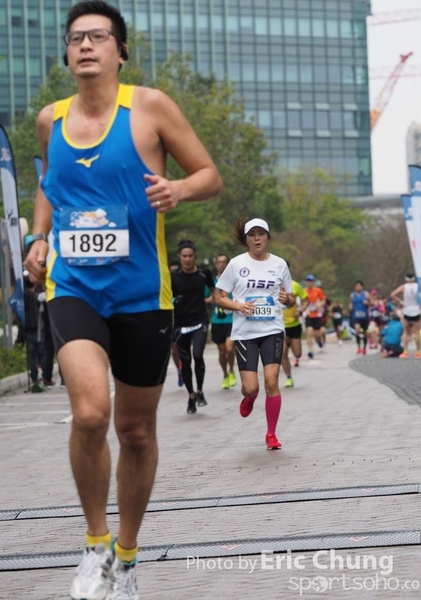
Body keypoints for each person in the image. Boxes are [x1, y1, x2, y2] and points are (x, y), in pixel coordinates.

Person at [23, 2, 222, 598]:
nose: (86, 45)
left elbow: (209, 175)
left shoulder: (150, 108)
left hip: (140, 292)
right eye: (75, 38)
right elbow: (48, 183)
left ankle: (127, 560)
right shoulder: (50, 119)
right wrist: (38, 237)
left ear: (121, 51)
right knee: (90, 413)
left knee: (135, 430)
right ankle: (95, 547)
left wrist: (178, 188)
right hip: (74, 285)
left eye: (98, 36)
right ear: (67, 53)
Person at [216, 217, 294, 450]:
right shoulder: (236, 264)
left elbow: (291, 298)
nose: (257, 238)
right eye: (252, 235)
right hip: (245, 333)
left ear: (268, 237)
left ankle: (271, 434)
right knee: (251, 387)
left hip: (272, 330)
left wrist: (287, 299)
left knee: (272, 381)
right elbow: (219, 297)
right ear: (246, 239)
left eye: (261, 234)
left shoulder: (279, 264)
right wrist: (238, 306)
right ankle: (249, 397)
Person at [171, 240, 216, 414]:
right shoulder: (173, 276)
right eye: (184, 256)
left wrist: (219, 303)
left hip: (200, 321)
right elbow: (165, 295)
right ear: (179, 257)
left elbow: (214, 291)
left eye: (190, 256)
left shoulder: (204, 273)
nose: (187, 259)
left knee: (197, 355)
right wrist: (173, 301)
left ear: (195, 256)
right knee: (185, 361)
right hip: (181, 324)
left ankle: (200, 391)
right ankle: (191, 395)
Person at [211, 254, 237, 390]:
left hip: (231, 319)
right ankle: (225, 374)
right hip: (217, 321)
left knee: (229, 348)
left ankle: (232, 370)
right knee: (222, 352)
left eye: (224, 262)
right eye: (219, 262)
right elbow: (205, 298)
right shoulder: (211, 282)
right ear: (216, 265)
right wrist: (215, 299)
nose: (222, 264)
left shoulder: (233, 280)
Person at [281, 271, 309, 387]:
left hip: (294, 324)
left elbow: (306, 300)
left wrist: (300, 311)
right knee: (283, 353)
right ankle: (289, 377)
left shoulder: (295, 285)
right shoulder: (272, 284)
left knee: (297, 354)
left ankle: (290, 344)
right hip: (279, 325)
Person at [23, 277, 47, 392]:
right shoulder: (37, 297)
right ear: (34, 284)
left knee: (31, 356)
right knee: (42, 354)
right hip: (38, 329)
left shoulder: (22, 298)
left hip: (27, 330)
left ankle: (34, 378)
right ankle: (46, 377)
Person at [390, 274, 421, 359]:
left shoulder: (403, 287)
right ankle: (418, 352)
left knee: (405, 331)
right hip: (416, 308)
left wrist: (401, 302)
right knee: (417, 331)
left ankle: (405, 351)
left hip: (407, 309)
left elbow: (392, 294)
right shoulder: (419, 286)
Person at [304, 275, 326, 359]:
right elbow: (301, 301)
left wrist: (319, 304)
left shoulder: (318, 290)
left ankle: (318, 340)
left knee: (317, 333)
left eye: (311, 281)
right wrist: (304, 308)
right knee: (309, 332)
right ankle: (310, 350)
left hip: (317, 314)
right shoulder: (304, 291)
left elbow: (323, 300)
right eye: (308, 281)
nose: (309, 283)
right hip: (308, 314)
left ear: (313, 282)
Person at [169, 260, 183, 387]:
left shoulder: (183, 283)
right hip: (170, 322)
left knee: (183, 348)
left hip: (184, 321)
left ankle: (185, 367)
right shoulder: (166, 285)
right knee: (174, 351)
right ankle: (180, 369)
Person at [349, 281, 371, 355]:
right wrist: (350, 307)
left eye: (359, 286)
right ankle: (358, 347)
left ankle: (364, 347)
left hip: (364, 316)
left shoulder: (366, 294)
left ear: (362, 287)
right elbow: (351, 303)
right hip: (356, 316)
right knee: (357, 329)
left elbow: (371, 302)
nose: (358, 287)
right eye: (356, 286)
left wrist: (367, 303)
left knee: (365, 332)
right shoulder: (352, 295)